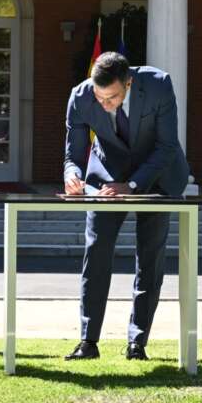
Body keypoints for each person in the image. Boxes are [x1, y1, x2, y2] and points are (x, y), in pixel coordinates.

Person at [62, 51, 189, 362]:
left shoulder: (159, 85)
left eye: (112, 97)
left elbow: (167, 146)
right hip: (106, 179)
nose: (104, 104)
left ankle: (137, 342)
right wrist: (72, 174)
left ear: (129, 82)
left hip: (158, 176)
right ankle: (88, 341)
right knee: (96, 254)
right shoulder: (80, 97)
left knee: (150, 259)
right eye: (100, 97)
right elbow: (73, 154)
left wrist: (131, 186)